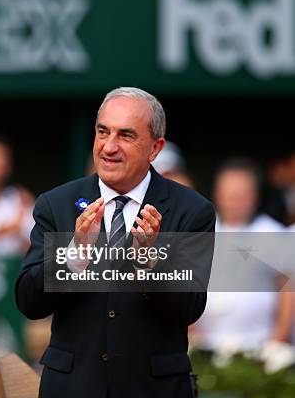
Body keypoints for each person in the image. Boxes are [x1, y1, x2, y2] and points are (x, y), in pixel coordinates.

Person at [15, 87, 215, 397]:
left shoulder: (191, 210)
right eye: (102, 131)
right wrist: (74, 256)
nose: (109, 147)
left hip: (154, 388)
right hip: (73, 386)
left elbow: (190, 307)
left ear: (155, 148)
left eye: (126, 135)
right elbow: (28, 300)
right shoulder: (57, 204)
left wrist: (149, 262)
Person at [193, 159, 292, 360]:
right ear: (217, 194)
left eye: (241, 193)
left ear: (254, 195)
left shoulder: (274, 233)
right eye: (229, 192)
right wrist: (189, 332)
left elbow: (289, 287)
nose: (235, 199)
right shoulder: (199, 230)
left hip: (259, 348)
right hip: (204, 346)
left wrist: (278, 340)